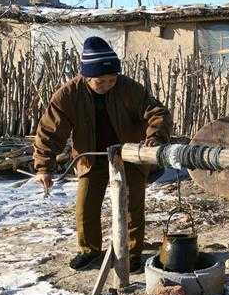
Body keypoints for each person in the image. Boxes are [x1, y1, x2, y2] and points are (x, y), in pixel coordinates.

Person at [33, 36, 172, 271]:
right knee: (86, 205)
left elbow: (157, 113)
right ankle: (89, 251)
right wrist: (44, 166)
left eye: (111, 79)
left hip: (129, 154)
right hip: (91, 157)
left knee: (131, 205)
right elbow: (49, 131)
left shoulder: (128, 88)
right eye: (101, 80)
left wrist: (155, 137)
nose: (108, 83)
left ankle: (131, 252)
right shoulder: (68, 95)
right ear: (87, 77)